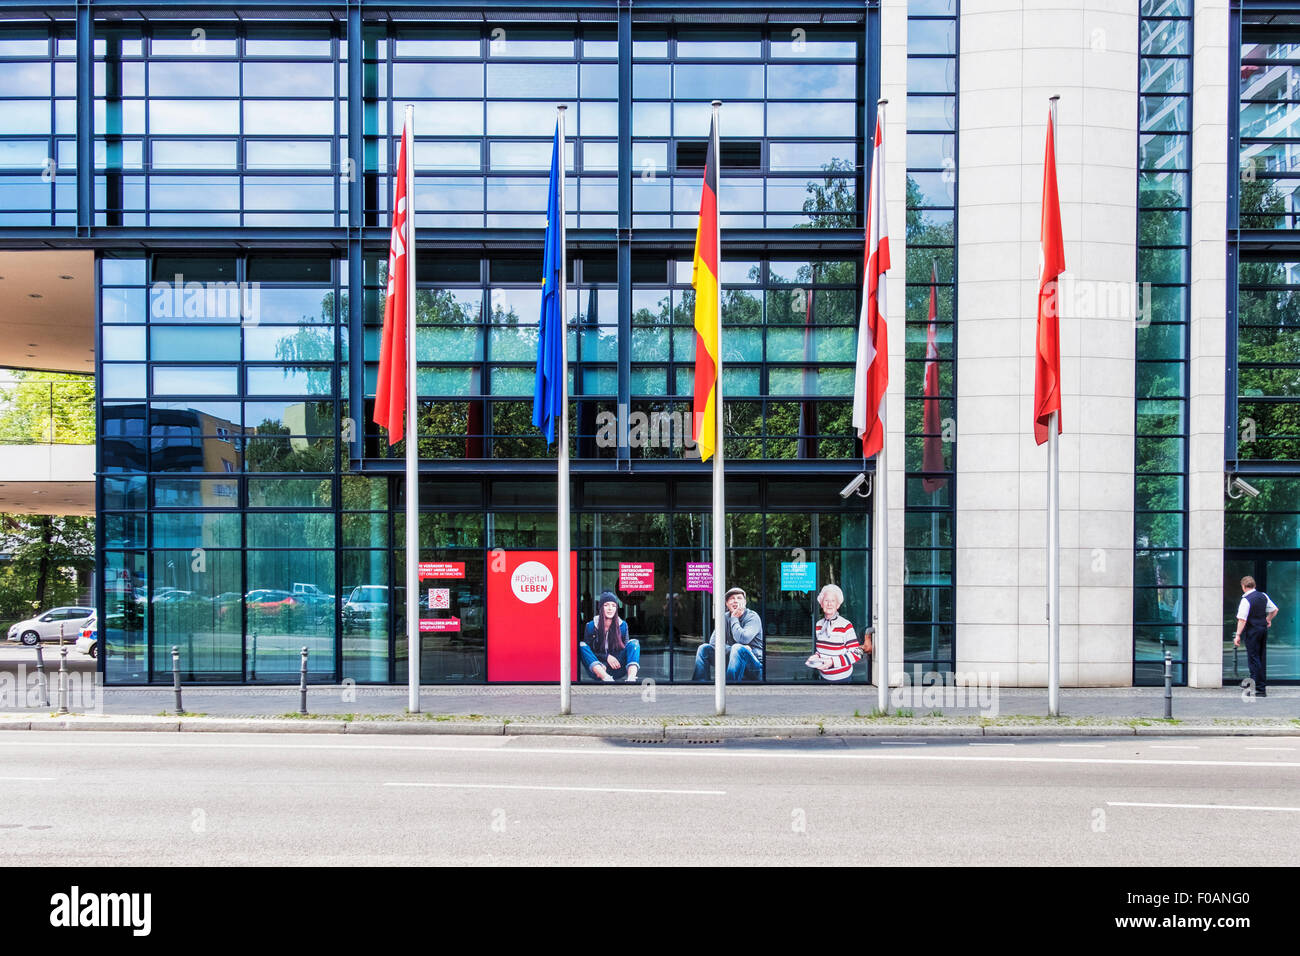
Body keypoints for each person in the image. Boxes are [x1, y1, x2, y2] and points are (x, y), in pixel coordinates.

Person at [692, 587, 764, 682]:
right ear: (726, 603)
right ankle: (699, 684)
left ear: (745, 602)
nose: (735, 601)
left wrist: (734, 618)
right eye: (732, 598)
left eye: (739, 598)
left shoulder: (752, 617)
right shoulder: (725, 617)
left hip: (754, 667)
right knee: (704, 648)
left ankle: (729, 687)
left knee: (738, 648)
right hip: (733, 660)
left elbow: (743, 639)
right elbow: (713, 642)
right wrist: (732, 649)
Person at [805, 583, 867, 682]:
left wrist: (832, 662)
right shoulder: (819, 625)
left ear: (838, 605)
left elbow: (858, 653)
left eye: (833, 601)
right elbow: (822, 650)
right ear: (821, 604)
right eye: (826, 600)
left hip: (843, 679)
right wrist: (816, 656)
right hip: (823, 677)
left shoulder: (846, 625)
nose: (829, 604)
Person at [580, 591, 640, 682]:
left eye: (613, 605)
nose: (610, 608)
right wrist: (606, 657)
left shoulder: (623, 625)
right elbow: (589, 652)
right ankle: (606, 677)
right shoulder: (591, 626)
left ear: (616, 608)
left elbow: (624, 648)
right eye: (606, 605)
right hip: (598, 669)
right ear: (601, 608)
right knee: (582, 645)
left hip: (617, 667)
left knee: (634, 643)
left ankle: (631, 678)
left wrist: (612, 657)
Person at [1234, 575, 1278, 698]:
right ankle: (1259, 686)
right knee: (1260, 658)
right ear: (1254, 585)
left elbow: (1242, 619)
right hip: (1263, 629)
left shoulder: (1246, 600)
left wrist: (1237, 635)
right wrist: (1267, 620)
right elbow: (1274, 610)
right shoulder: (1263, 596)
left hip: (1252, 631)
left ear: (1243, 586)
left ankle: (1258, 688)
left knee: (1253, 659)